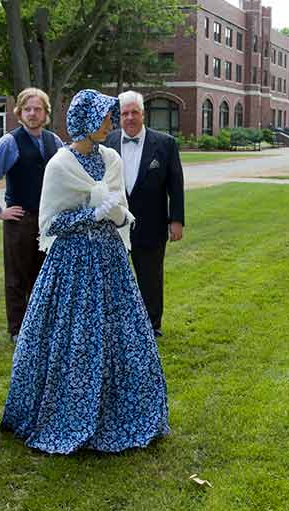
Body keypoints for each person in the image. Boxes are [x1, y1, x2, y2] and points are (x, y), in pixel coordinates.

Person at [1, 89, 169, 455]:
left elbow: (123, 209)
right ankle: (67, 409)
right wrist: (89, 214)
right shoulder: (60, 165)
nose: (111, 124)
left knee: (121, 332)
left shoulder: (110, 158)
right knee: (75, 332)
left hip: (110, 259)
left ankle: (122, 408)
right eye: (106, 118)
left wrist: (117, 214)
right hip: (72, 262)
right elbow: (49, 224)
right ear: (87, 122)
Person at [0, 88, 63, 342]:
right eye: (27, 109)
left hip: (48, 221)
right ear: (20, 113)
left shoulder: (54, 142)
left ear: (46, 113)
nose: (33, 114)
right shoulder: (10, 142)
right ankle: (17, 330)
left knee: (44, 275)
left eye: (37, 109)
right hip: (20, 220)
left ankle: (40, 326)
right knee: (17, 277)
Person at [104, 91, 184, 337]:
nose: (129, 117)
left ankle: (152, 325)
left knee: (150, 277)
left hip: (152, 223)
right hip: (114, 225)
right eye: (125, 113)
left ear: (143, 114)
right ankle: (116, 326)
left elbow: (175, 185)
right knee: (114, 278)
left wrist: (177, 220)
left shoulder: (165, 143)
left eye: (134, 112)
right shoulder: (107, 142)